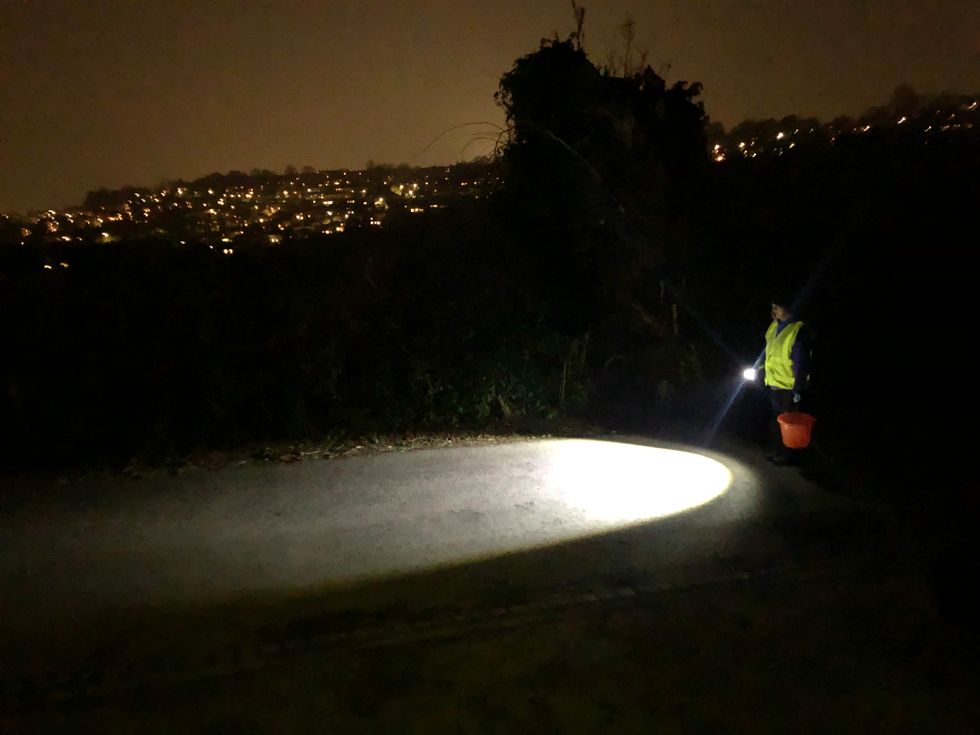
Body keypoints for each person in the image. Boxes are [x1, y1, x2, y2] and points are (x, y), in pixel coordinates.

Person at [758, 294, 812, 466]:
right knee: (776, 421)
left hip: (789, 386)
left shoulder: (798, 329)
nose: (773, 311)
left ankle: (789, 455)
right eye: (773, 307)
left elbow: (801, 361)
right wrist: (759, 365)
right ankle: (778, 451)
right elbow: (768, 350)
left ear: (788, 309)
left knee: (788, 424)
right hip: (774, 382)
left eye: (777, 307)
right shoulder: (774, 326)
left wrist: (798, 388)